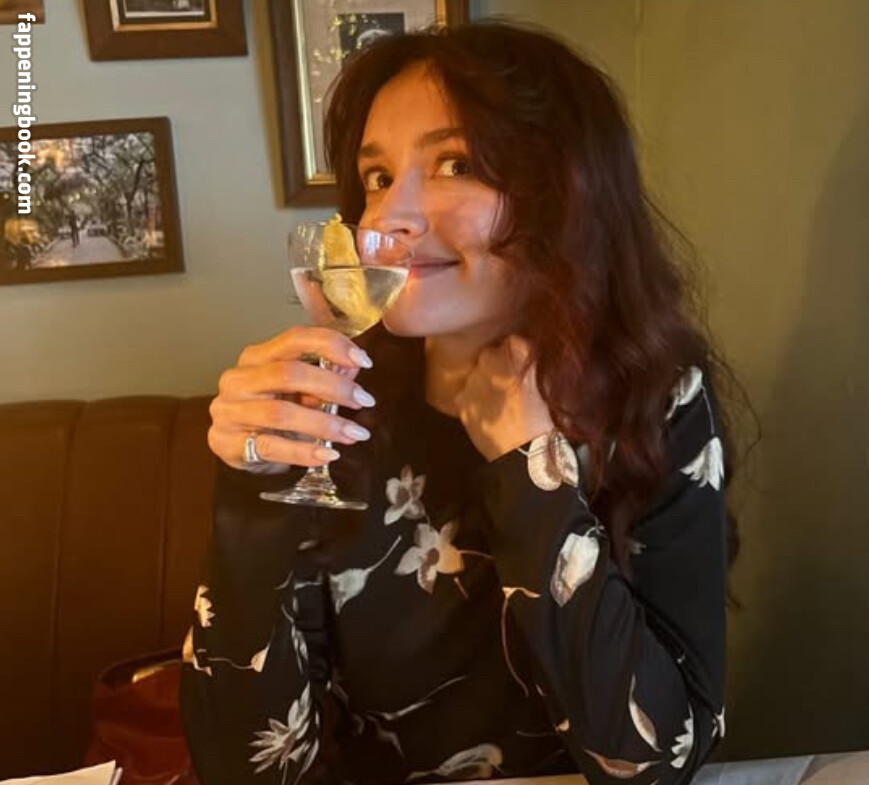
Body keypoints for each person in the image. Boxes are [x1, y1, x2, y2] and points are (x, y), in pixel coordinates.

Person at [180, 19, 743, 785]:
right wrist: (252, 497)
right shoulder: (331, 411)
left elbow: (656, 762)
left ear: (568, 193)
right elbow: (243, 769)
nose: (388, 217)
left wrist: (530, 473)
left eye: (456, 163)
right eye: (377, 177)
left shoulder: (657, 400)